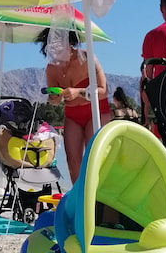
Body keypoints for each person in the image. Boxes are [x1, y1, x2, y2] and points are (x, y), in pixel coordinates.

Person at [36, 27, 112, 185]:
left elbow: (104, 91)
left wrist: (79, 92)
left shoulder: (86, 58)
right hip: (72, 114)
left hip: (96, 110)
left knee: (94, 157)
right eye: (51, 45)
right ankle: (78, 197)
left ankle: (97, 196)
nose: (55, 48)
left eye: (58, 43)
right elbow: (53, 97)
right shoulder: (52, 68)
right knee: (72, 161)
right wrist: (55, 99)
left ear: (69, 42)